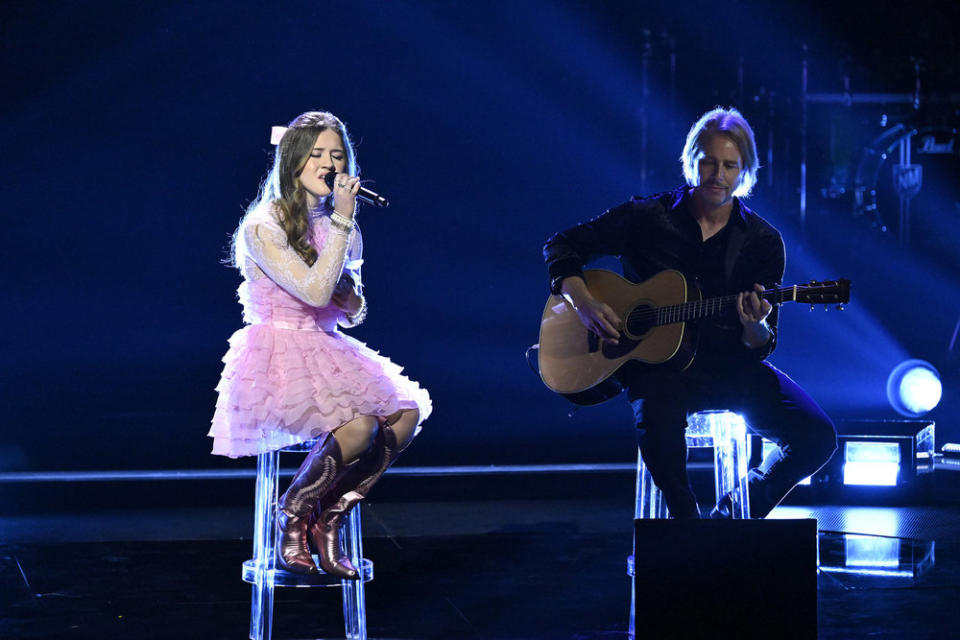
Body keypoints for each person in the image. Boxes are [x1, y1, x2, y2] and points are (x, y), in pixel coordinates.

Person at [542, 107, 836, 519]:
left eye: (730, 165)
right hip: (658, 371)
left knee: (818, 437)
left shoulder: (763, 241)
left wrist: (754, 325)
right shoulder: (647, 217)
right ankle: (687, 531)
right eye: (709, 162)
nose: (718, 174)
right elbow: (561, 245)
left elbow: (760, 346)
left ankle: (734, 514)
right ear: (691, 160)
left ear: (744, 171)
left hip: (729, 367)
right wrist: (584, 302)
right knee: (660, 429)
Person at [209, 111, 431, 576]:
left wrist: (353, 299)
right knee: (359, 427)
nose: (329, 163)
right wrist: (343, 225)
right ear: (293, 162)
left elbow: (351, 310)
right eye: (318, 154)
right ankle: (290, 516)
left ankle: (329, 519)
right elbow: (311, 292)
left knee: (405, 415)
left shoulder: (339, 227)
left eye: (337, 154)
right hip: (279, 352)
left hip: (326, 347)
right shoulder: (263, 225)